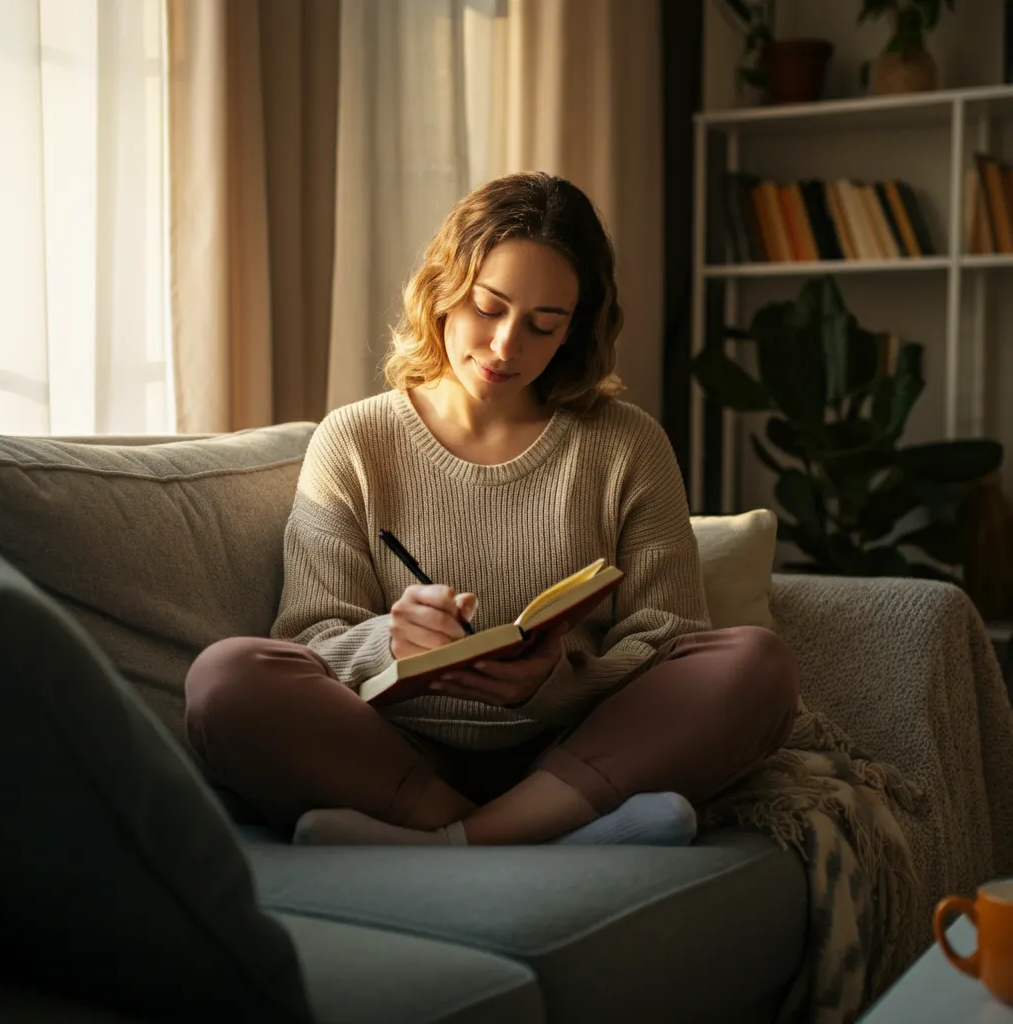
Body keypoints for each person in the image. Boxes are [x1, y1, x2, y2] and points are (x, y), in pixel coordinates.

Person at [183, 171, 799, 847]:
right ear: (444, 290)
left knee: (755, 665)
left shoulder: (627, 443)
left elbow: (669, 637)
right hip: (398, 755)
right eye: (488, 307)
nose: (507, 346)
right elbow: (309, 641)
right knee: (227, 679)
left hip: (579, 750)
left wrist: (551, 682)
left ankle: (458, 838)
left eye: (543, 324)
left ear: (575, 330)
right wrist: (390, 639)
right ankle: (532, 833)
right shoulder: (355, 441)